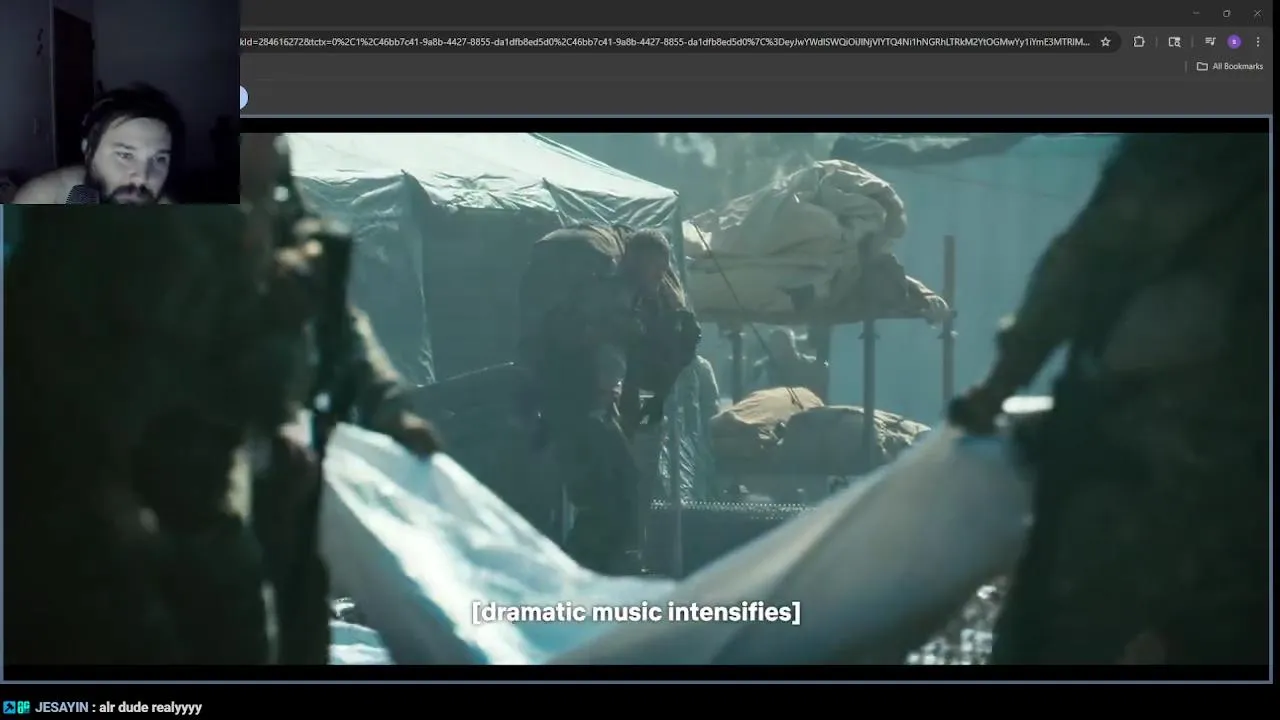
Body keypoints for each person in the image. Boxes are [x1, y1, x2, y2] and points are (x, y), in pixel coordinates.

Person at [949, 133, 1268, 665]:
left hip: (1142, 459)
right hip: (1184, 468)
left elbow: (1078, 268)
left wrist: (999, 385)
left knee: (1069, 630)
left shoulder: (1174, 159)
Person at [520, 224, 696, 575]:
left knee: (609, 498)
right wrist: (608, 394)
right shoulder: (616, 296)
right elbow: (609, 350)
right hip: (589, 410)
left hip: (579, 410)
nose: (659, 278)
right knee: (618, 494)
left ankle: (585, 572)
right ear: (637, 261)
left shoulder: (618, 296)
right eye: (655, 269)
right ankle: (579, 574)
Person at [12, 84, 182, 205]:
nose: (143, 177)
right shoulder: (45, 198)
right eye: (125, 155)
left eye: (159, 159)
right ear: (88, 151)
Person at [751, 327, 827, 395]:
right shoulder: (761, 369)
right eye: (775, 345)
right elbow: (753, 395)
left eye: (783, 344)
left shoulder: (813, 366)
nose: (779, 350)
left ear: (792, 346)